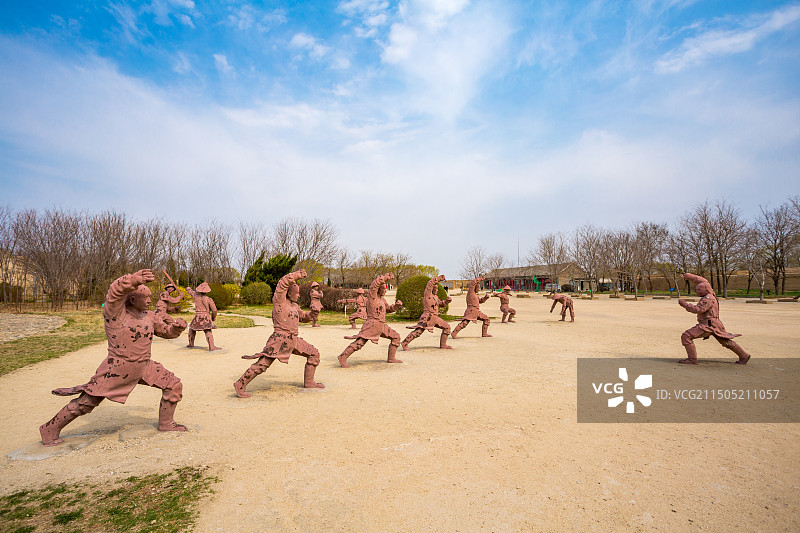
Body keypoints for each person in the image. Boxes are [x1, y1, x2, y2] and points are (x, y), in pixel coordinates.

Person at [39, 269, 188, 446]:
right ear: (132, 299)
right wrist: (133, 279)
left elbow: (166, 332)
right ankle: (49, 429)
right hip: (118, 368)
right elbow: (114, 293)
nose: (149, 301)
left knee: (173, 384)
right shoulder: (116, 315)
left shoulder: (149, 316)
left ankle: (166, 424)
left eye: (150, 297)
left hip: (144, 366)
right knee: (86, 402)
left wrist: (177, 328)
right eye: (145, 297)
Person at [234, 269, 324, 397]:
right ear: (288, 293)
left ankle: (309, 382)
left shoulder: (294, 306)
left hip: (293, 339)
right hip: (280, 339)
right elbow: (282, 284)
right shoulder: (279, 302)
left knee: (314, 354)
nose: (298, 296)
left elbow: (303, 317)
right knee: (263, 364)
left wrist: (313, 313)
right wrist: (296, 275)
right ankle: (240, 384)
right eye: (296, 293)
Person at [677, 272, 751, 365]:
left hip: (707, 324)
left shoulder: (707, 299)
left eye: (699, 289)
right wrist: (691, 277)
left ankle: (692, 359)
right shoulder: (711, 294)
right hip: (715, 323)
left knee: (686, 336)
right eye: (696, 289)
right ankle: (744, 355)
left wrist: (685, 304)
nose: (697, 291)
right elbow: (704, 281)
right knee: (725, 342)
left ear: (706, 289)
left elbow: (698, 309)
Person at [338, 273, 404, 367]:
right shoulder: (372, 297)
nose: (385, 291)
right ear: (378, 290)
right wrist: (385, 278)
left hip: (381, 325)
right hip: (372, 324)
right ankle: (342, 357)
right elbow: (374, 285)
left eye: (386, 289)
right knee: (359, 343)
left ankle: (391, 358)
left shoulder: (382, 300)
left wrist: (396, 306)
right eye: (383, 289)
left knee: (396, 337)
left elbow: (389, 309)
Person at [401, 274, 453, 350]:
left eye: (437, 289)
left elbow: (440, 304)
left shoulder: (436, 297)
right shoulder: (428, 295)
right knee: (418, 331)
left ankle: (443, 345)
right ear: (432, 289)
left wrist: (446, 301)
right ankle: (404, 343)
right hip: (428, 317)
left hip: (435, 317)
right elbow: (429, 284)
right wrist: (438, 279)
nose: (437, 290)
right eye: (435, 288)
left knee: (447, 327)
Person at [186, 282, 220, 351]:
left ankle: (191, 344)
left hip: (197, 316)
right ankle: (211, 346)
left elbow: (191, 292)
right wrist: (213, 318)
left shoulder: (196, 297)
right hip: (205, 317)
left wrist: (188, 289)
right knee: (207, 331)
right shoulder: (209, 299)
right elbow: (214, 310)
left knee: (192, 329)